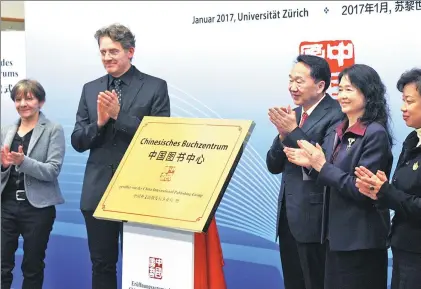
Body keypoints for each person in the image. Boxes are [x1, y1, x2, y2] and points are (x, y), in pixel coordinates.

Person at [71, 24, 170, 289]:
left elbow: (160, 138)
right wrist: (100, 123)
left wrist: (119, 116)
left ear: (130, 52)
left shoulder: (155, 87)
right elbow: (78, 141)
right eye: (102, 52)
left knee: (140, 266)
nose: (107, 58)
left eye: (113, 51)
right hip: (97, 191)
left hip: (140, 192)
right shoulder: (90, 89)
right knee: (101, 264)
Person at [284, 64, 393, 289]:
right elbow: (332, 177)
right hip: (334, 238)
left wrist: (321, 166)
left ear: (368, 93)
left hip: (360, 242)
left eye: (349, 90)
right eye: (340, 90)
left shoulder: (374, 134)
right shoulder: (340, 129)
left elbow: (361, 190)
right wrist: (313, 166)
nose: (342, 96)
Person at [266, 54, 343, 289]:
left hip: (316, 222)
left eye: (299, 81)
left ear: (320, 85)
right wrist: (282, 135)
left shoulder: (336, 114)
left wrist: (292, 131)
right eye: (290, 80)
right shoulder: (295, 114)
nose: (292, 87)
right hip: (288, 218)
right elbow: (273, 165)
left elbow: (326, 163)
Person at [355, 68, 421, 289]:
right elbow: (401, 193)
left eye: (409, 101)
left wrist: (387, 191)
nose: (403, 108)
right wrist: (377, 190)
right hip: (403, 247)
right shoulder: (413, 140)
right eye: (403, 100)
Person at [1, 79, 65, 289]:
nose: (23, 104)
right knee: (2, 266)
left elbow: (52, 170)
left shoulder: (53, 129)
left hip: (37, 209)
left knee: (32, 266)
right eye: (18, 99)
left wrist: (23, 162)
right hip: (6, 206)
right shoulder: (6, 131)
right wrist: (3, 167)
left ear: (41, 102)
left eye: (29, 98)